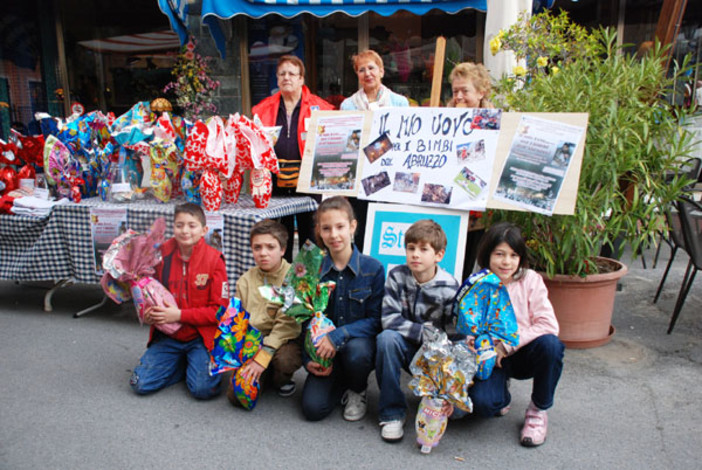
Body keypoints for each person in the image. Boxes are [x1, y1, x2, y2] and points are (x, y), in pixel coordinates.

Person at [451, 221, 564, 447]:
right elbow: (465, 326)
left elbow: (548, 324)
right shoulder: (478, 284)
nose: (506, 262)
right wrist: (473, 343)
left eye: (513, 255)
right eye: (500, 254)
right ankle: (502, 395)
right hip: (490, 358)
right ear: (487, 255)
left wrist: (507, 345)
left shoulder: (530, 280)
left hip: (523, 353)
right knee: (483, 405)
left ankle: (538, 411)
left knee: (551, 345)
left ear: (520, 258)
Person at [130, 203, 229, 399]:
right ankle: (182, 364)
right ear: (172, 227)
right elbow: (151, 290)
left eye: (192, 226)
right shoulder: (161, 254)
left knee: (203, 390)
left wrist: (179, 315)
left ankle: (193, 363)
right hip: (169, 335)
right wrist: (148, 312)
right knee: (140, 384)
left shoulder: (214, 260)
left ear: (204, 230)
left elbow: (219, 311)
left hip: (200, 337)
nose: (185, 231)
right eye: (179, 225)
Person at [301, 196, 385, 422]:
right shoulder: (310, 266)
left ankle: (357, 388)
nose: (334, 235)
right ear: (319, 231)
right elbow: (302, 319)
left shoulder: (373, 268)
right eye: (326, 229)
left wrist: (338, 335)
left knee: (358, 352)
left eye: (340, 227)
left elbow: (376, 320)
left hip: (355, 345)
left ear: (353, 226)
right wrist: (307, 358)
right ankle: (338, 381)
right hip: (323, 352)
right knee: (312, 409)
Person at [375, 219, 459, 442]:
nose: (415, 255)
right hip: (405, 346)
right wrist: (427, 333)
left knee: (460, 415)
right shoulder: (396, 276)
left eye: (423, 249)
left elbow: (453, 335)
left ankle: (434, 401)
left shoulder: (450, 286)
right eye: (411, 248)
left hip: (435, 358)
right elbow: (389, 319)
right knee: (386, 339)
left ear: (438, 255)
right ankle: (392, 413)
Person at [251, 55, 334, 262]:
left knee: (311, 238)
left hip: (308, 185)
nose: (287, 77)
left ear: (301, 79)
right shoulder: (262, 109)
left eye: (292, 74)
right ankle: (281, 284)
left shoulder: (322, 108)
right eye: (282, 74)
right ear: (277, 79)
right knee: (279, 237)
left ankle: (309, 288)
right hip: (276, 184)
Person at [225, 219, 302, 405]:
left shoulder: (295, 276)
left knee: (286, 359)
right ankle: (260, 375)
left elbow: (287, 325)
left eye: (270, 247)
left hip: (282, 341)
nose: (263, 253)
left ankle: (279, 377)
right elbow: (237, 319)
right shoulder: (245, 280)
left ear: (283, 249)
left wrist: (264, 355)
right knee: (236, 398)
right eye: (257, 247)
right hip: (252, 340)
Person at [340, 50, 409, 251]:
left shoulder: (400, 102)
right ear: (357, 75)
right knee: (362, 228)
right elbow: (348, 144)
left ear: (381, 71)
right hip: (362, 180)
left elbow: (404, 140)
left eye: (371, 68)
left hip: (392, 178)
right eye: (362, 70)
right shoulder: (348, 106)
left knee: (390, 229)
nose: (367, 73)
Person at [447, 62, 494, 281]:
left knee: (475, 262)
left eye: (465, 91)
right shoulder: (444, 118)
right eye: (455, 91)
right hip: (448, 205)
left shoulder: (492, 120)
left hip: (477, 210)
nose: (458, 96)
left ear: (481, 91)